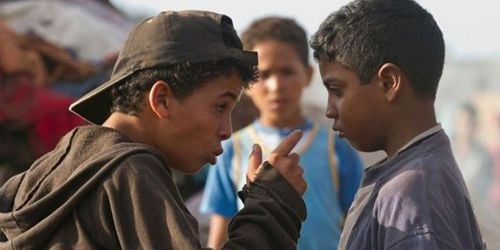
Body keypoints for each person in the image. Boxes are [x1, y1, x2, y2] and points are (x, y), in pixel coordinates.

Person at [0, 11, 308, 249]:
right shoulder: (131, 170)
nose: (227, 131)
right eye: (220, 106)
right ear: (161, 99)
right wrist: (272, 202)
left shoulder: (51, 166)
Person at [310, 0, 486, 249]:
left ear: (389, 83)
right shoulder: (422, 175)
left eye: (337, 91)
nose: (329, 110)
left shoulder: (411, 195)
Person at [200, 16, 364, 250]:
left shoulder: (335, 145)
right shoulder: (230, 149)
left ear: (307, 75)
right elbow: (220, 234)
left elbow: (357, 223)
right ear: (247, 83)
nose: (276, 86)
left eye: (287, 72)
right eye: (264, 74)